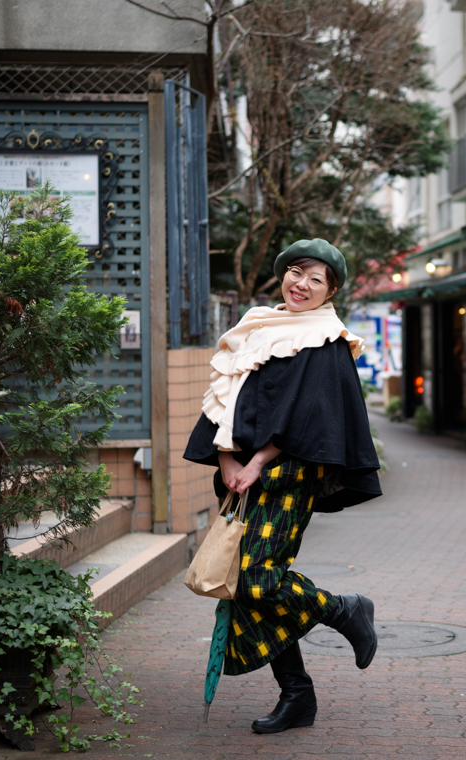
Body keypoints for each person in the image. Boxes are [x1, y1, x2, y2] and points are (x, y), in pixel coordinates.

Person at [183, 238, 381, 734]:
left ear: (330, 291)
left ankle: (343, 610)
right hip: (244, 473)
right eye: (296, 272)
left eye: (317, 279)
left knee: (257, 578)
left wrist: (256, 463)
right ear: (283, 275)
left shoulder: (326, 340)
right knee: (250, 591)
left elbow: (309, 418)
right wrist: (227, 458)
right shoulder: (258, 327)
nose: (302, 285)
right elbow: (225, 398)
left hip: (291, 472)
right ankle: (298, 696)